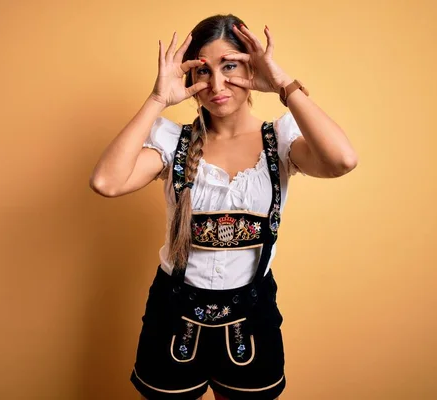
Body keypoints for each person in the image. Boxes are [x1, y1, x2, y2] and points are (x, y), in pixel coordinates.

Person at [90, 13, 357, 400]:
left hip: (252, 313)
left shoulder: (279, 142)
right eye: (203, 71)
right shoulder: (174, 144)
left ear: (251, 66)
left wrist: (284, 85)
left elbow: (342, 161)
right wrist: (157, 99)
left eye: (229, 66)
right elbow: (106, 182)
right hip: (173, 311)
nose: (216, 84)